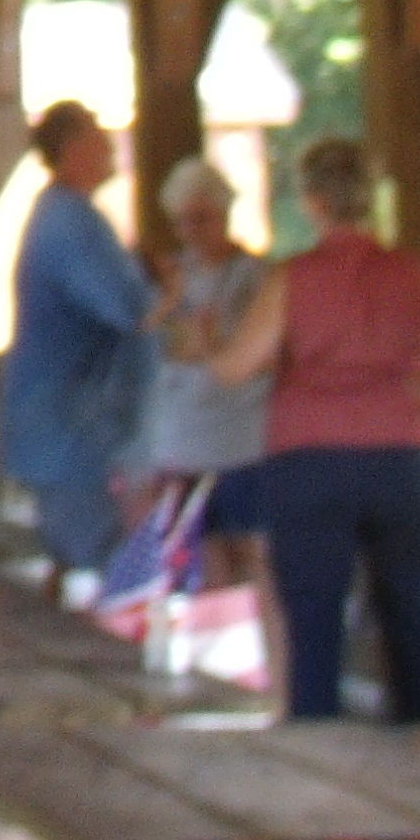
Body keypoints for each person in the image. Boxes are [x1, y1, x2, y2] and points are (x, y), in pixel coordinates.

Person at [203, 135, 420, 729]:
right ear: (370, 200)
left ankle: (323, 775)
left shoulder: (290, 281)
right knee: (416, 621)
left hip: (310, 459)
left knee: (315, 620)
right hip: (405, 456)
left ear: (312, 201)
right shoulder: (415, 275)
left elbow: (236, 368)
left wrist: (206, 343)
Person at [133, 154, 278, 686]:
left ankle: (271, 683)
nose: (194, 231)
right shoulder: (169, 282)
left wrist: (202, 344)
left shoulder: (256, 277)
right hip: (181, 442)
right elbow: (151, 345)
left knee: (258, 560)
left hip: (244, 442)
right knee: (199, 569)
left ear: (225, 214)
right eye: (184, 221)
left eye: (204, 218)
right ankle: (218, 680)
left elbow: (250, 353)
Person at [0, 100, 152, 585]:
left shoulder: (71, 215)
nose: (109, 148)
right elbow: (128, 309)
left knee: (76, 570)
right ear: (74, 149)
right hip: (70, 435)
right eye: (98, 136)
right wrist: (173, 300)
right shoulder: (68, 222)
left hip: (68, 432)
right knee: (103, 574)